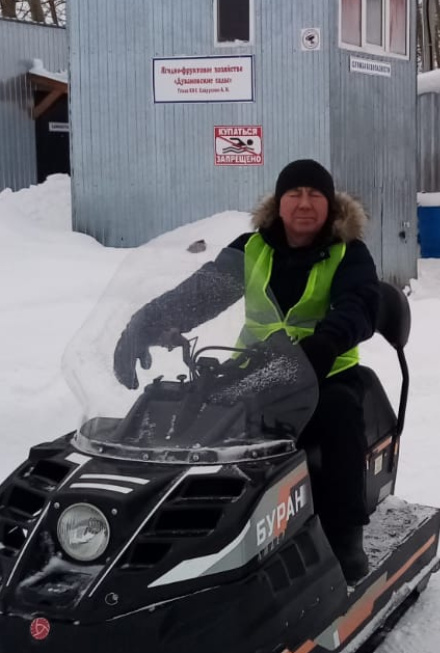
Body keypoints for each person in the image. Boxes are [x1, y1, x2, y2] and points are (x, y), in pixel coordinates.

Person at [113, 159, 382, 583]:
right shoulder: (251, 249)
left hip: (325, 371)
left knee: (340, 415)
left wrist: (327, 342)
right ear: (279, 203)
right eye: (294, 194)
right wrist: (145, 323)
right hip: (257, 373)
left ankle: (345, 534)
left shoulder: (348, 252)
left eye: (315, 194)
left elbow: (361, 304)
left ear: (330, 205)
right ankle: (184, 533)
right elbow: (200, 294)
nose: (305, 203)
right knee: (192, 415)